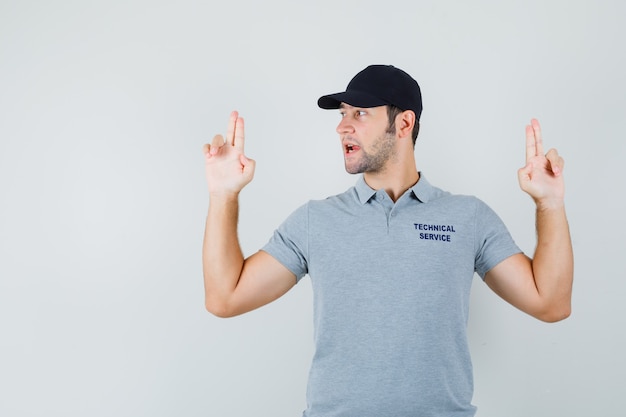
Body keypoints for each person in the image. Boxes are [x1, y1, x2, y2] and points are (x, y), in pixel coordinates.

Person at [201, 65, 573, 417]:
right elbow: (225, 297)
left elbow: (550, 303)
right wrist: (223, 194)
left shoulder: (467, 217)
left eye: (359, 114)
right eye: (342, 114)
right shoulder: (316, 220)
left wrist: (549, 202)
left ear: (404, 123)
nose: (342, 127)